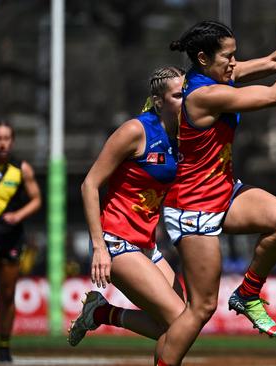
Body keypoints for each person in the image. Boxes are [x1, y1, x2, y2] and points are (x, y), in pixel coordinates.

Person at [157, 3, 276, 365]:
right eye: (229, 56)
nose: (235, 62)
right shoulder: (204, 95)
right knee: (202, 307)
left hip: (223, 193)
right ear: (204, 59)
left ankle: (248, 292)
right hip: (194, 208)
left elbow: (272, 62)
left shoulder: (220, 77)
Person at [68, 67, 187, 359]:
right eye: (178, 95)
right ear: (159, 101)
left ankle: (100, 314)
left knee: (183, 324)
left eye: (188, 93)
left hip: (147, 245)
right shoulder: (136, 131)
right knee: (179, 321)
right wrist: (98, 247)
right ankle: (100, 313)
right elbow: (90, 185)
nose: (186, 99)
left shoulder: (184, 137)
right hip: (116, 242)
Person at [0, 120, 41, 362]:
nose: (2, 143)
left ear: (12, 141)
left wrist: (18, 215)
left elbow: (36, 199)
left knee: (7, 295)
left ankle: (4, 345)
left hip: (12, 239)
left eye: (6, 138)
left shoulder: (22, 169)